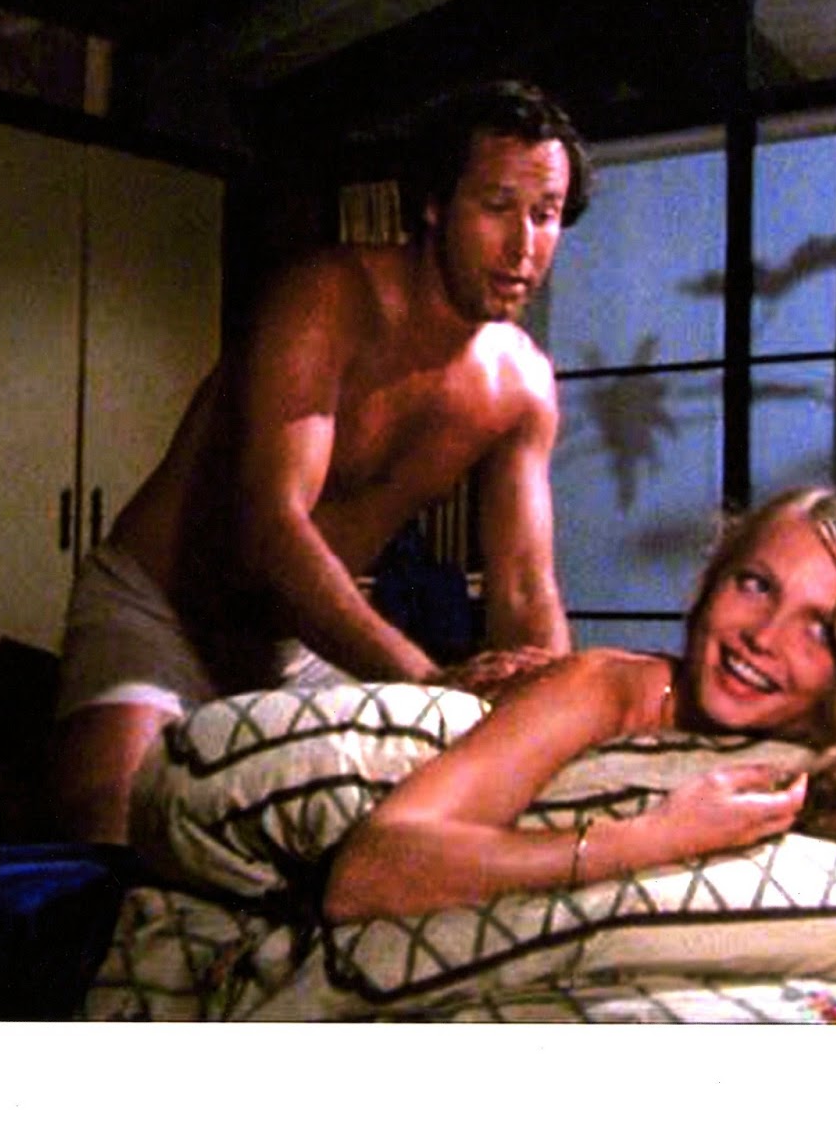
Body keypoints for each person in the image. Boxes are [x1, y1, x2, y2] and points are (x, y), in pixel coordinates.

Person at [42, 81, 592, 845]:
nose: (523, 246)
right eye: (497, 206)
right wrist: (428, 682)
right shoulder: (328, 301)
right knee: (109, 841)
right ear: (434, 203)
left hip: (295, 649)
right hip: (162, 612)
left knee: (398, 836)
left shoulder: (523, 385)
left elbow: (525, 587)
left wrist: (551, 720)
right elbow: (272, 530)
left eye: (546, 214)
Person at [323, 486, 836, 940]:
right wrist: (652, 840)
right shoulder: (605, 690)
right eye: (755, 585)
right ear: (709, 583)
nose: (763, 638)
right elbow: (367, 874)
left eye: (819, 628)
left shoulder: (813, 748)